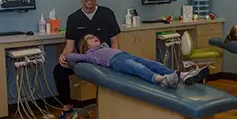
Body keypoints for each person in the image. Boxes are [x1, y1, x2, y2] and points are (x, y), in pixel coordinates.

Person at [53, 0, 121, 119]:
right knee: (59, 70)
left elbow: (115, 42)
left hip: (104, 60)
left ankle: (109, 110)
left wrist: (113, 59)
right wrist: (63, 56)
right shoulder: (73, 18)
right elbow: (69, 46)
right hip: (82, 62)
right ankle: (67, 110)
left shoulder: (107, 14)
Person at [66, 34, 209, 87]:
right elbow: (71, 57)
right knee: (138, 68)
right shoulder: (90, 54)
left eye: (93, 36)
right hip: (116, 62)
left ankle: (182, 75)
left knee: (153, 63)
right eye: (89, 39)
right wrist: (67, 56)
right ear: (86, 46)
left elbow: (109, 42)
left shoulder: (104, 46)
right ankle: (161, 79)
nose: (93, 37)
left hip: (125, 54)